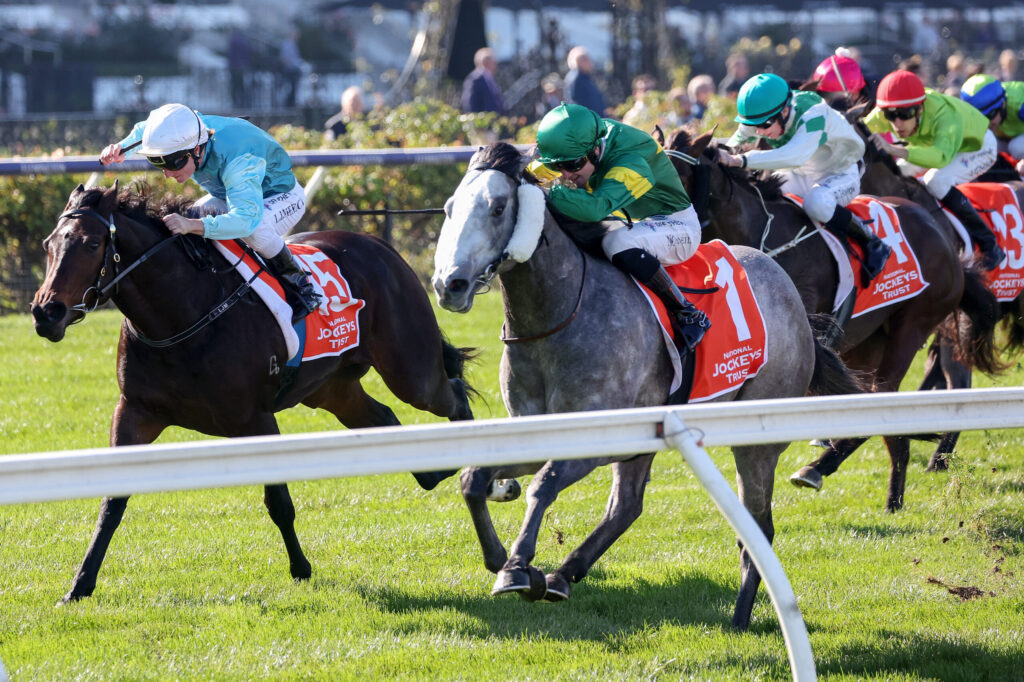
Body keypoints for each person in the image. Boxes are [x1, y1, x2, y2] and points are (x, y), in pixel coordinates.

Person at [99, 103, 320, 321]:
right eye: (157, 162)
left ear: (196, 150)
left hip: (281, 197)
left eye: (172, 162)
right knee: (189, 217)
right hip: (231, 194)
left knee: (252, 230)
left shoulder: (238, 160)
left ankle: (302, 288)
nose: (166, 173)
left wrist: (193, 225)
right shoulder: (188, 130)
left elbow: (246, 221)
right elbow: (146, 130)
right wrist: (121, 148)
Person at [531, 102, 710, 350]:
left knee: (616, 242)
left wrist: (550, 193)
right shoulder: (580, 140)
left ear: (595, 150)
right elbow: (533, 173)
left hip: (677, 226)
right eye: (556, 166)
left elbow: (596, 208)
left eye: (572, 165)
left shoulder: (631, 159)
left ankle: (688, 313)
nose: (565, 174)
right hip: (633, 223)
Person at [719, 73, 891, 281]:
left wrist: (739, 160)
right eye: (754, 125)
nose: (759, 132)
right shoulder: (766, 113)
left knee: (816, 203)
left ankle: (872, 242)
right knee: (762, 195)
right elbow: (736, 140)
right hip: (804, 172)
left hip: (842, 172)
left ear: (784, 111)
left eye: (764, 125)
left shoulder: (813, 114)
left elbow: (793, 156)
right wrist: (718, 152)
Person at [865, 69, 1005, 270]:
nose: (897, 123)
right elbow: (859, 129)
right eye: (891, 115)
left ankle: (989, 244)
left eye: (905, 114)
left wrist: (893, 149)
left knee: (936, 181)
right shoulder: (889, 111)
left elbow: (940, 157)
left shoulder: (944, 115)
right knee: (898, 172)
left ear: (919, 109)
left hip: (977, 147)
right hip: (938, 146)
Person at [960, 73, 1024, 161]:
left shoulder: (1020, 103)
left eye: (989, 115)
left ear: (1003, 104)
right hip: (1009, 136)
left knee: (1016, 147)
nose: (986, 123)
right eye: (980, 118)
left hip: (1015, 139)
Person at [812, 51, 878, 108]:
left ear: (854, 92)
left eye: (834, 97)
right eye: (825, 95)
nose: (829, 102)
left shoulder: (877, 102)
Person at [563, 46, 608, 116]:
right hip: (587, 120)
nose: (590, 62)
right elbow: (576, 103)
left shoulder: (586, 77)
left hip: (594, 118)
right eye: (586, 59)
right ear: (579, 61)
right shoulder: (576, 78)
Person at [460, 47, 504, 115]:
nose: (496, 64)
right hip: (481, 121)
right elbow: (469, 104)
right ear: (486, 62)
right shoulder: (474, 79)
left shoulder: (489, 79)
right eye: (493, 61)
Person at [279, 29, 306, 108]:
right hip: (290, 70)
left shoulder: (292, 44)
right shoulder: (287, 44)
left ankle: (291, 103)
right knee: (291, 87)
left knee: (294, 88)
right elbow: (286, 58)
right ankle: (288, 104)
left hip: (293, 69)